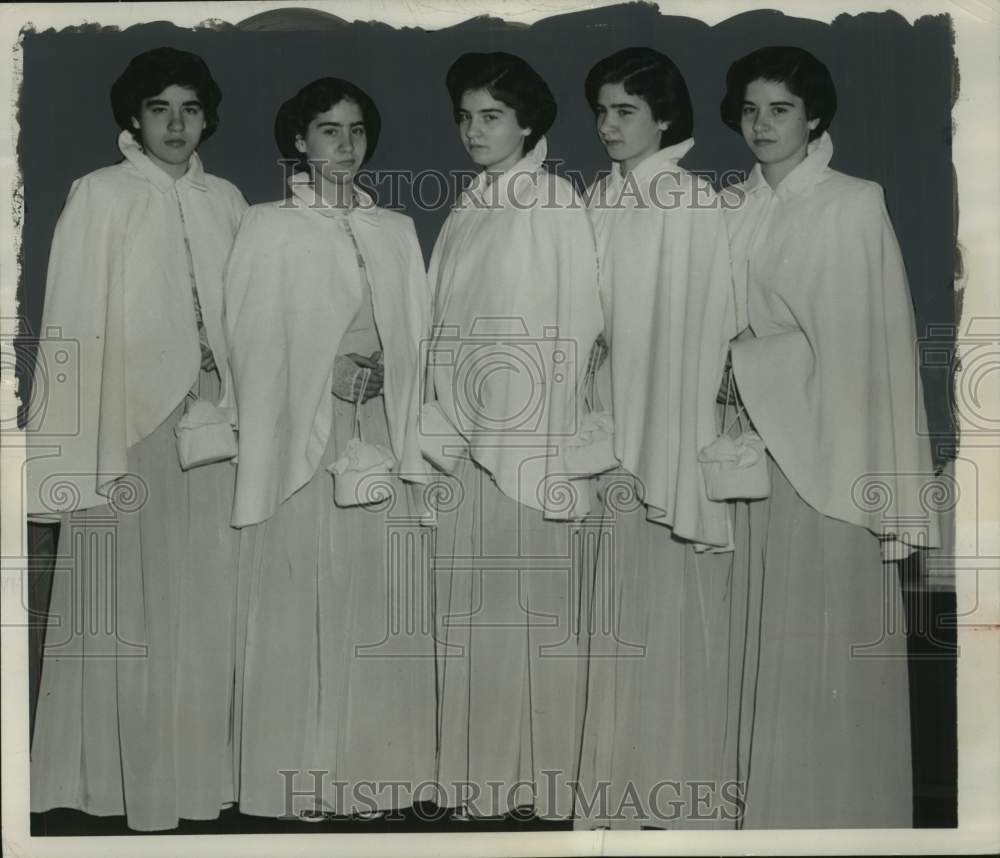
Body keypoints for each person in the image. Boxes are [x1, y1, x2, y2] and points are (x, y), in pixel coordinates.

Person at [719, 45, 940, 828]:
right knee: (751, 635)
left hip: (824, 449)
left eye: (780, 108)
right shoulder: (734, 204)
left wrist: (740, 358)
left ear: (814, 116)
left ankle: (829, 817)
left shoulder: (851, 201)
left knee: (817, 631)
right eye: (750, 109)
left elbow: (858, 344)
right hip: (747, 451)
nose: (762, 124)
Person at [27, 47, 247, 831]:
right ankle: (124, 789)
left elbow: (247, 316)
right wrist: (77, 447)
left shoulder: (226, 199)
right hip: (129, 428)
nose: (177, 124)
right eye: (161, 109)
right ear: (134, 118)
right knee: (129, 607)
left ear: (207, 116)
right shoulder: (101, 195)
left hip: (215, 427)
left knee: (204, 605)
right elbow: (72, 324)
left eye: (190, 108)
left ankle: (199, 784)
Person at [223, 77, 435, 819]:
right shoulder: (269, 226)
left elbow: (418, 336)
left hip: (375, 428)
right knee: (305, 591)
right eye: (327, 131)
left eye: (355, 130)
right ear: (298, 143)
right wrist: (324, 372)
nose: (344, 146)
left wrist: (386, 375)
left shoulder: (396, 229)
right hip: (304, 438)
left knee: (376, 592)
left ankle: (374, 771)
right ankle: (299, 775)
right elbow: (250, 339)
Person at [425, 51, 604, 819]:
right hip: (467, 440)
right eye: (465, 117)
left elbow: (573, 321)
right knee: (474, 617)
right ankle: (480, 781)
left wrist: (521, 423)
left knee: (527, 613)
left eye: (491, 116)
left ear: (528, 122)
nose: (474, 130)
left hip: (526, 440)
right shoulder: (470, 206)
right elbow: (443, 327)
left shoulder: (554, 199)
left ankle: (535, 783)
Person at [572, 46, 739, 830]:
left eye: (626, 111)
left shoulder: (688, 200)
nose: (609, 125)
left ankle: (676, 796)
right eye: (602, 111)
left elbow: (703, 331)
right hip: (604, 424)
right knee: (613, 613)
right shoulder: (599, 197)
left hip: (663, 427)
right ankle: (614, 790)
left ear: (664, 117)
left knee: (665, 611)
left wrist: (673, 435)